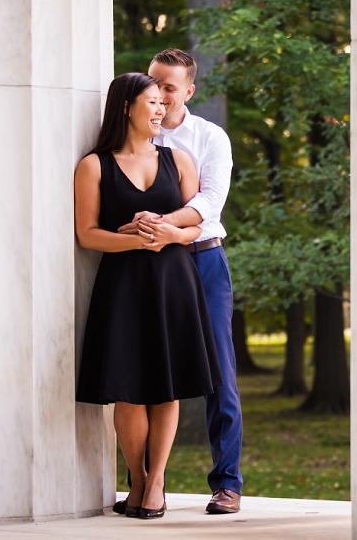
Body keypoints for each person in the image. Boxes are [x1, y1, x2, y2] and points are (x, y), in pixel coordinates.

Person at [75, 72, 223, 520]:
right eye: (152, 102)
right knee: (129, 390)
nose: (161, 110)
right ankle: (137, 481)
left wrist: (168, 234)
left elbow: (200, 225)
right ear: (126, 107)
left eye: (163, 102)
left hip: (173, 283)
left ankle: (156, 482)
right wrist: (137, 240)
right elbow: (87, 234)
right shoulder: (94, 165)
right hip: (123, 285)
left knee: (166, 387)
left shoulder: (179, 160)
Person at [117, 48, 243, 514]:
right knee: (148, 370)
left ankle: (227, 482)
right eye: (154, 84)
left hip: (201, 259)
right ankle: (146, 483)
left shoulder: (209, 138)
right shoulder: (129, 135)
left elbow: (211, 200)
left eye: (169, 87)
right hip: (148, 266)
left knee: (220, 373)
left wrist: (168, 226)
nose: (160, 95)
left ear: (188, 91)